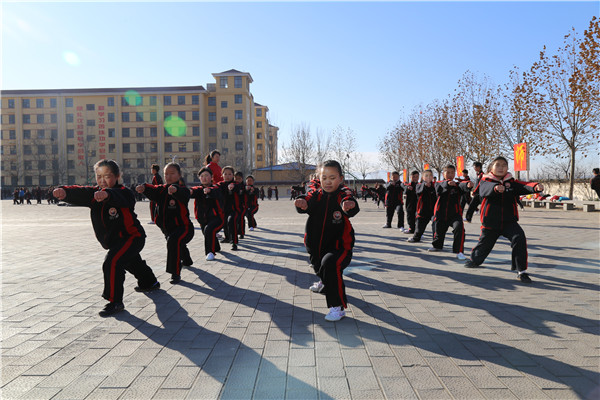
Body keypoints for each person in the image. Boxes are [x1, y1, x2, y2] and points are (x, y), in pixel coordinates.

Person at [53, 159, 159, 317]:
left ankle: (115, 301)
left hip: (132, 237)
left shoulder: (124, 192)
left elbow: (124, 198)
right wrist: (64, 192)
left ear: (117, 176)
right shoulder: (94, 194)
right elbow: (80, 191)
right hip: (115, 241)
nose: (102, 180)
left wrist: (107, 194)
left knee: (113, 262)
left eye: (107, 176)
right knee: (130, 261)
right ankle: (149, 281)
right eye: (99, 176)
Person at [295, 160, 360, 322]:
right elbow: (307, 198)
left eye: (332, 177)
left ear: (341, 178)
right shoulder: (316, 194)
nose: (328, 181)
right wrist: (302, 202)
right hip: (315, 246)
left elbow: (348, 198)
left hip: (340, 247)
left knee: (330, 265)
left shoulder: (342, 194)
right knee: (321, 269)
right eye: (324, 178)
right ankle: (325, 283)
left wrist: (349, 205)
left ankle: (337, 308)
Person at [464, 157, 544, 283]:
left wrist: (535, 187)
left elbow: (523, 186)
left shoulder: (510, 182)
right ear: (491, 168)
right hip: (490, 222)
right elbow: (484, 190)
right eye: (498, 165)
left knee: (519, 238)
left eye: (504, 165)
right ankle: (475, 260)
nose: (501, 168)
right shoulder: (485, 180)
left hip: (509, 222)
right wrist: (495, 188)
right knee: (485, 244)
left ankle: (521, 271)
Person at [136, 162, 194, 284]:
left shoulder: (183, 190)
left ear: (179, 175)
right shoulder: (161, 190)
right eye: (166, 174)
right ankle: (187, 260)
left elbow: (184, 194)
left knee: (174, 241)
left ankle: (175, 273)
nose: (168, 177)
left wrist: (175, 190)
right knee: (177, 244)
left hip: (185, 228)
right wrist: (143, 188)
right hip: (167, 229)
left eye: (172, 174)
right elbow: (152, 190)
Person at [429, 165, 473, 259]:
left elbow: (462, 186)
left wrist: (468, 185)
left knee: (459, 227)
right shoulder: (438, 183)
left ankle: (458, 251)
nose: (450, 174)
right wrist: (448, 184)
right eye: (447, 172)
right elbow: (438, 190)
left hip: (454, 215)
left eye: (452, 172)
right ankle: (437, 246)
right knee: (438, 232)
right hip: (440, 214)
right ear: (443, 173)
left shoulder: (457, 185)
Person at [190, 167, 224, 261]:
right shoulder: (199, 189)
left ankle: (210, 252)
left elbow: (216, 192)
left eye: (206, 175)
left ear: (211, 177)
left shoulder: (216, 188)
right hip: (202, 219)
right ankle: (216, 247)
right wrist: (190, 191)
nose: (204, 178)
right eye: (202, 176)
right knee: (207, 233)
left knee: (208, 230)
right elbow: (194, 190)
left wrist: (210, 191)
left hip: (218, 218)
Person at [408, 170, 437, 243]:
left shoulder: (435, 186)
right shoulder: (419, 185)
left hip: (433, 211)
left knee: (436, 224)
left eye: (430, 175)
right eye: (426, 176)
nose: (428, 177)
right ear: (423, 177)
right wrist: (424, 186)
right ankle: (416, 238)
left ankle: (436, 241)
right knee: (419, 229)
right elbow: (418, 191)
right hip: (422, 211)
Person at [216, 166, 240, 250]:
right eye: (225, 174)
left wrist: (232, 187)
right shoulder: (220, 185)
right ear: (222, 175)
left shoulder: (235, 184)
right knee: (224, 224)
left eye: (229, 174)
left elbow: (239, 188)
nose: (227, 176)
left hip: (234, 210)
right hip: (223, 210)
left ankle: (234, 242)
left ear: (233, 175)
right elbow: (214, 188)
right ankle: (227, 238)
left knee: (231, 221)